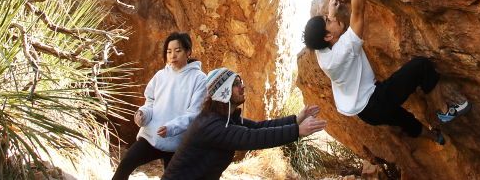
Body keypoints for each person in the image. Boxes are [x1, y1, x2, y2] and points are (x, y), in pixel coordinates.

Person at [303, 0, 471, 145]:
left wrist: (330, 15)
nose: (333, 19)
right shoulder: (343, 50)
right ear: (328, 35)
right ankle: (444, 111)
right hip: (375, 100)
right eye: (328, 21)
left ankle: (435, 137)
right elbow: (357, 12)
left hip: (365, 113)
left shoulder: (322, 52)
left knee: (405, 121)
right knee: (421, 66)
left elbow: (328, 35)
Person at [161, 67, 327, 179]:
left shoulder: (225, 118)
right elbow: (252, 137)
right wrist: (296, 131)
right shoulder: (212, 125)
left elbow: (258, 127)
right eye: (235, 84)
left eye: (240, 82)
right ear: (222, 92)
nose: (242, 87)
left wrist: (296, 120)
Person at [112, 32, 207, 180]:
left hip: (178, 142)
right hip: (152, 135)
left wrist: (171, 127)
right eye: (169, 51)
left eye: (178, 50)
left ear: (188, 52)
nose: (172, 56)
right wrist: (143, 114)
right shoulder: (160, 75)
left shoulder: (199, 78)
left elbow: (194, 113)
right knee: (125, 164)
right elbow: (150, 102)